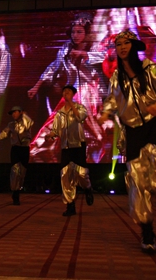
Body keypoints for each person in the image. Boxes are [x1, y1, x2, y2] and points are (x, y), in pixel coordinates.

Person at [98, 30, 156, 254]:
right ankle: (147, 231)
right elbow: (111, 98)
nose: (122, 47)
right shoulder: (117, 76)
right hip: (133, 131)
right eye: (118, 45)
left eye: (126, 43)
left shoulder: (151, 69)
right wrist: (105, 113)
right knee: (138, 181)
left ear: (134, 46)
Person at [28, 12, 109, 163]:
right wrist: (36, 86)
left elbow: (106, 56)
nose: (75, 35)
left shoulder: (94, 46)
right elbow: (53, 67)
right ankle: (43, 152)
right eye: (73, 32)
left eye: (79, 32)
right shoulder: (66, 48)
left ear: (86, 32)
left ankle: (90, 157)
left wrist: (85, 54)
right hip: (72, 92)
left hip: (88, 91)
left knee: (90, 128)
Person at [45, 84, 94, 216]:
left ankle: (88, 188)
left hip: (78, 144)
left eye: (68, 91)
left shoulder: (80, 107)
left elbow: (80, 117)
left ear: (73, 94)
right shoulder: (59, 113)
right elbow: (56, 130)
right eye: (64, 91)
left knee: (82, 173)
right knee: (65, 175)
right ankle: (70, 205)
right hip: (66, 147)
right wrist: (50, 135)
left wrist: (71, 104)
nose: (66, 93)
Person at [0, 106, 34, 205]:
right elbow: (4, 133)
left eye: (15, 112)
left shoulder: (26, 122)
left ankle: (18, 189)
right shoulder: (11, 124)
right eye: (12, 113)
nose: (13, 114)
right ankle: (15, 194)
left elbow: (30, 123)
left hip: (24, 149)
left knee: (22, 172)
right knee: (15, 171)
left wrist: (24, 115)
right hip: (15, 149)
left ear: (20, 112)